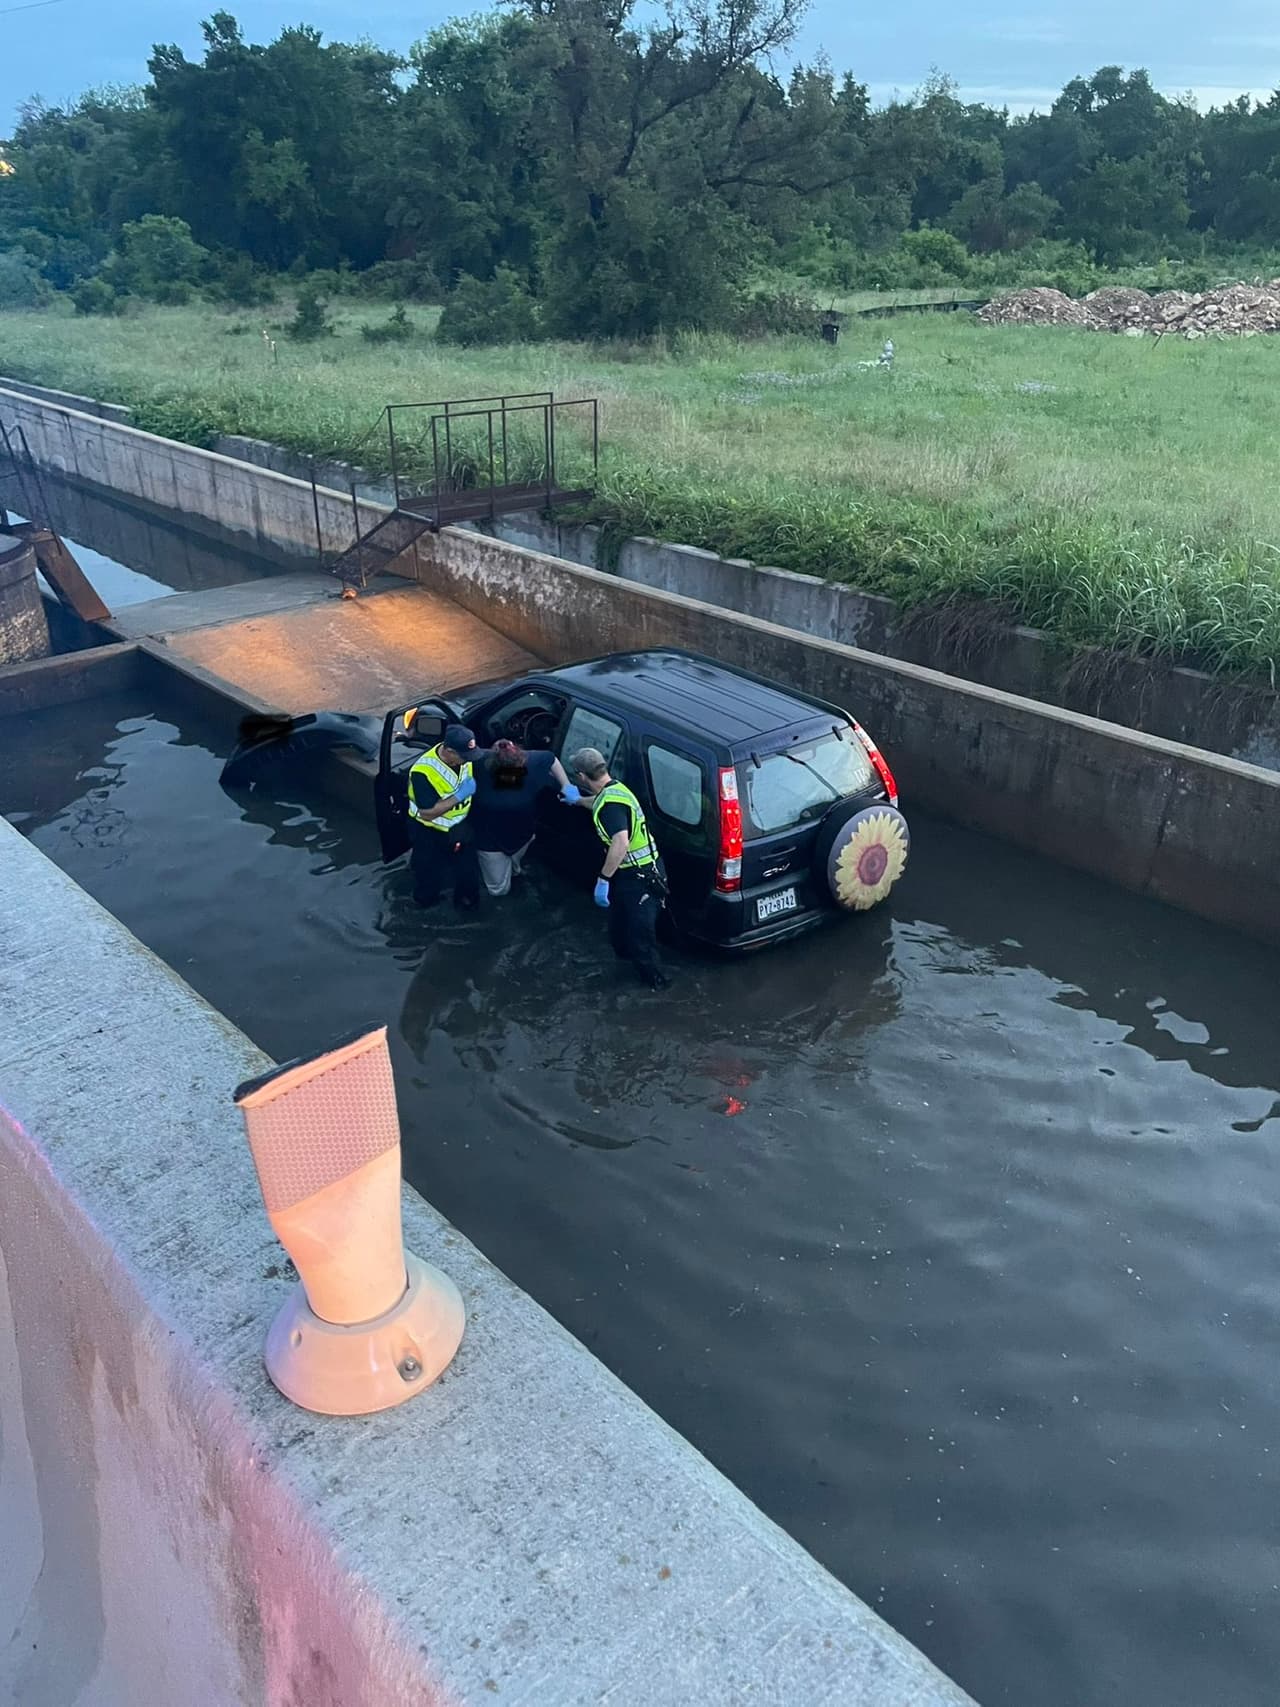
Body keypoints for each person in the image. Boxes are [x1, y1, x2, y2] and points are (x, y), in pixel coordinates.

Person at [570, 746, 669, 991]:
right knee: (620, 932)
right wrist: (579, 801)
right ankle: (626, 968)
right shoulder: (615, 789)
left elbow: (621, 841)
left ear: (582, 777)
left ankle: (658, 985)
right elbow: (601, 802)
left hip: (641, 879)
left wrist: (603, 878)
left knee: (640, 939)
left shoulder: (612, 805)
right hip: (630, 877)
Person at [470, 738, 580, 897]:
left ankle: (513, 873)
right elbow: (550, 759)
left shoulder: (484, 761)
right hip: (492, 841)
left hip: (519, 835)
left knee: (513, 865)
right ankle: (505, 885)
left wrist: (566, 785)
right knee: (499, 889)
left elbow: (551, 759)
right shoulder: (484, 761)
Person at [407, 722, 480, 910]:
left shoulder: (465, 756)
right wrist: (459, 796)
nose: (467, 760)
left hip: (460, 826)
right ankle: (425, 905)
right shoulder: (423, 771)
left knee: (468, 873)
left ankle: (466, 905)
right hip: (429, 830)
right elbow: (427, 813)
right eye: (463, 757)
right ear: (448, 751)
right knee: (428, 873)